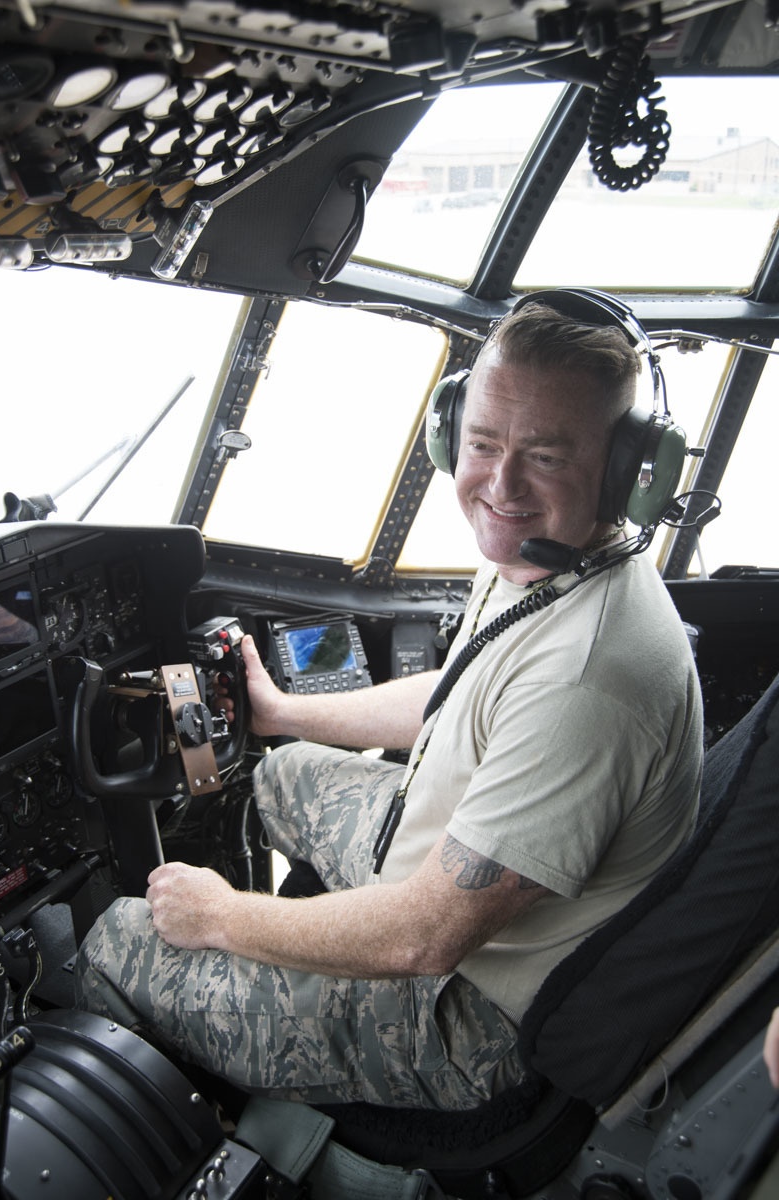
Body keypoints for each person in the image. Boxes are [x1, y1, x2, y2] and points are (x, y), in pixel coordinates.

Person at [75, 296, 703, 1113]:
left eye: (545, 457)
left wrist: (223, 917)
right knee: (282, 774)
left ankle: (216, 1118)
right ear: (452, 433)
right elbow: (458, 698)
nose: (500, 485)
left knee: (116, 939)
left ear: (629, 471)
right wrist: (282, 714)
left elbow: (424, 935)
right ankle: (244, 1008)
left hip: (470, 1015)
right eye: (482, 443)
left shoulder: (589, 679)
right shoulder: (554, 555)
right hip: (448, 881)